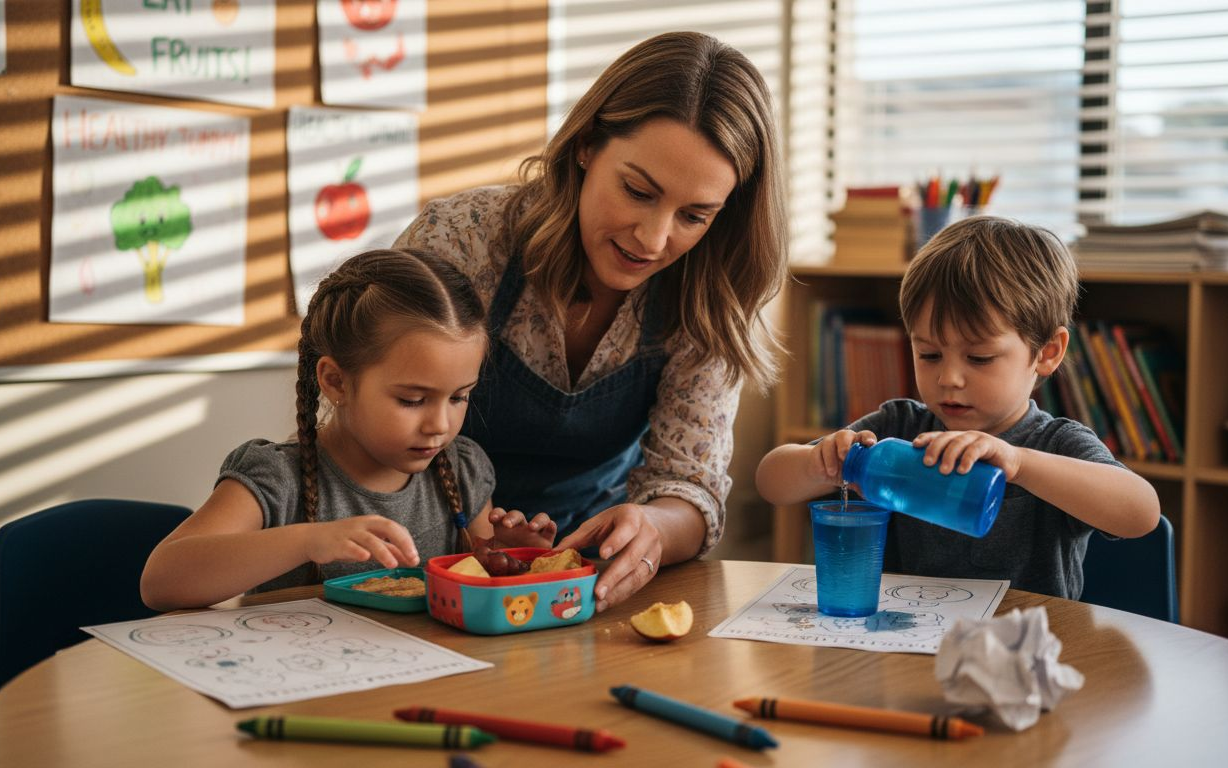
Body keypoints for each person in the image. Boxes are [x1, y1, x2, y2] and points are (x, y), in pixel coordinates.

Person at [393, 31, 786, 612]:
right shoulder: (464, 241)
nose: (653, 239)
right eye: (636, 191)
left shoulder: (707, 299)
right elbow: (364, 427)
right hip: (426, 557)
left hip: (580, 580)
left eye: (694, 215)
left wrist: (652, 527)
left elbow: (690, 487)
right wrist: (469, 534)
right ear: (586, 146)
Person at [755, 216, 1160, 599]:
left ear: (1047, 352)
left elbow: (1141, 513)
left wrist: (1018, 463)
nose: (949, 378)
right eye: (929, 354)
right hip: (908, 647)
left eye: (979, 358)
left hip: (1019, 655)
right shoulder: (898, 427)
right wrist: (816, 463)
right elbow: (770, 482)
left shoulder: (1055, 444)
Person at [141, 249, 556, 611]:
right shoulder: (276, 479)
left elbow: (477, 585)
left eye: (458, 397)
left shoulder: (462, 469)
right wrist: (308, 540)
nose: (440, 425)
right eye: (412, 400)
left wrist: (512, 556)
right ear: (336, 382)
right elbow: (161, 582)